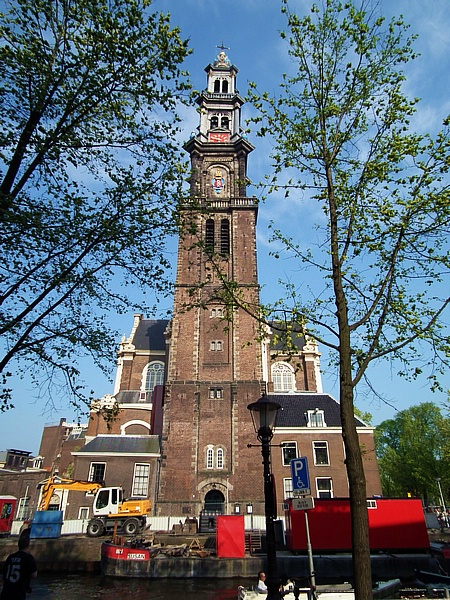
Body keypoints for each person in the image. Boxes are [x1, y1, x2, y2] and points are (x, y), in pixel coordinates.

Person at [0, 535, 37, 600]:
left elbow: (4, 575)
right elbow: (34, 575)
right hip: (18, 593)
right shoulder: (28, 558)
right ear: (28, 545)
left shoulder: (10, 557)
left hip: (6, 592)